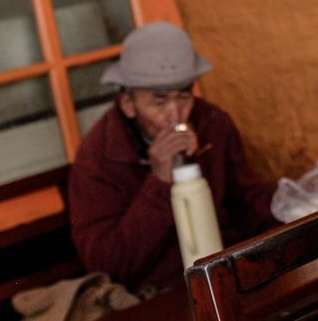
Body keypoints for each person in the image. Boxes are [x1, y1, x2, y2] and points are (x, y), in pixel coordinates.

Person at [69, 21, 277, 294]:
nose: (176, 115)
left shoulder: (213, 123)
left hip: (226, 272)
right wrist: (160, 182)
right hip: (157, 294)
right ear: (128, 104)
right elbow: (110, 265)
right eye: (159, 102)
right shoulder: (96, 159)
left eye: (183, 97)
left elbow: (250, 205)